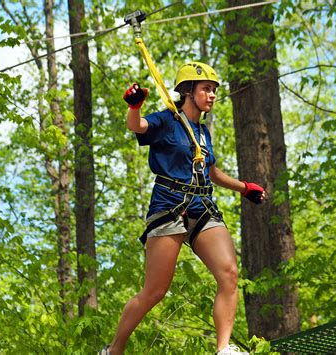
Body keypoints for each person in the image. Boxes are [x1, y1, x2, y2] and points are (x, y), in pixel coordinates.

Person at [99, 62, 265, 355]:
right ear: (188, 91)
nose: (212, 95)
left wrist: (245, 188)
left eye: (214, 90)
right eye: (206, 89)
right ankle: (114, 350)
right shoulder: (166, 121)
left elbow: (212, 173)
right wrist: (134, 106)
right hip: (169, 205)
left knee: (229, 274)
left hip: (202, 205)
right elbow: (137, 127)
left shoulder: (202, 132)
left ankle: (224, 348)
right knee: (155, 291)